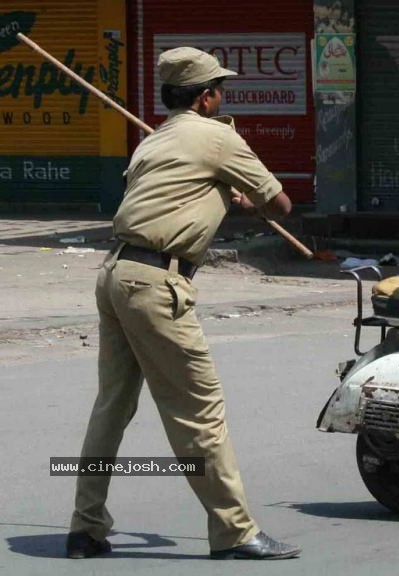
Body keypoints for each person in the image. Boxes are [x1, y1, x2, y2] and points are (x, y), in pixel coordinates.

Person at [66, 47, 301, 560]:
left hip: (116, 273)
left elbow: (172, 196)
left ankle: (85, 527)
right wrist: (247, 196)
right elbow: (280, 202)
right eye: (220, 89)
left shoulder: (157, 140)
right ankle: (236, 532)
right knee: (199, 412)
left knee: (112, 405)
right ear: (206, 96)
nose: (223, 96)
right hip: (156, 283)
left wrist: (225, 196)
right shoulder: (217, 136)